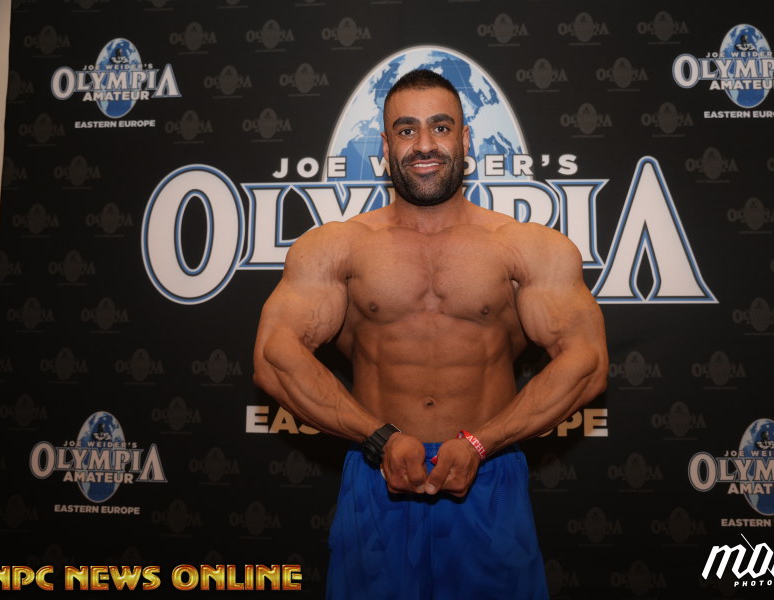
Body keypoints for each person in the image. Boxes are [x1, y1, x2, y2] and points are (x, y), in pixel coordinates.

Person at [253, 69, 608, 600]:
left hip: (488, 479)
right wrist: (379, 438)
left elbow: (587, 364)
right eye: (406, 129)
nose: (424, 144)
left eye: (441, 128)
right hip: (377, 477)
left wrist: (481, 443)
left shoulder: (527, 247)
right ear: (385, 145)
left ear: (466, 139)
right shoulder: (336, 248)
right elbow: (274, 357)